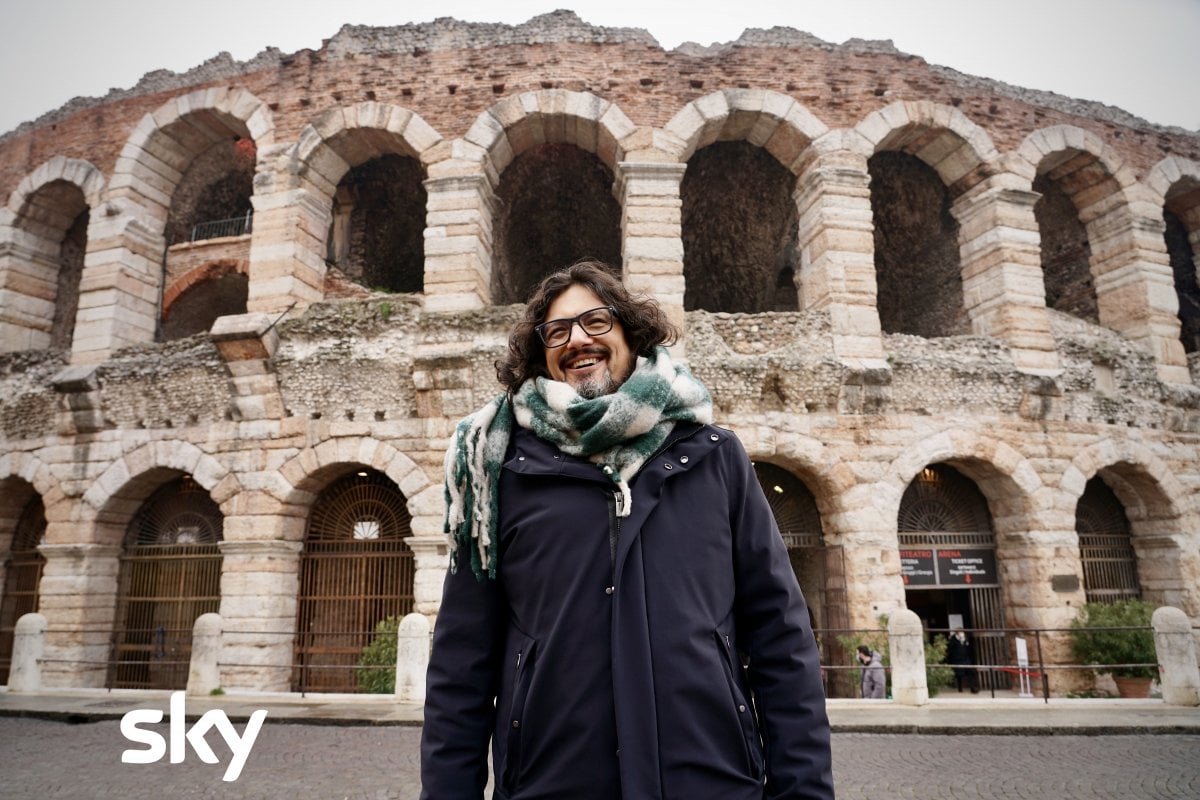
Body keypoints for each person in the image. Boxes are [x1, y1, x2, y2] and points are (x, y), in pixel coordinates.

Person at [420, 260, 834, 799]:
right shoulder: (495, 469)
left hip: (710, 780)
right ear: (540, 353)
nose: (577, 340)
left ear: (631, 334)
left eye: (596, 321)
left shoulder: (714, 456)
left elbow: (781, 637)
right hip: (551, 783)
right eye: (557, 330)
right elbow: (461, 665)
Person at [947, 628, 979, 693]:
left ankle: (972, 688)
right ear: (957, 633)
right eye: (960, 632)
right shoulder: (953, 639)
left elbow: (969, 648)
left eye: (962, 632)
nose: (962, 633)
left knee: (970, 672)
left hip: (966, 658)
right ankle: (960, 687)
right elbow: (951, 649)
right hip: (957, 659)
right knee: (959, 674)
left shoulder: (966, 638)